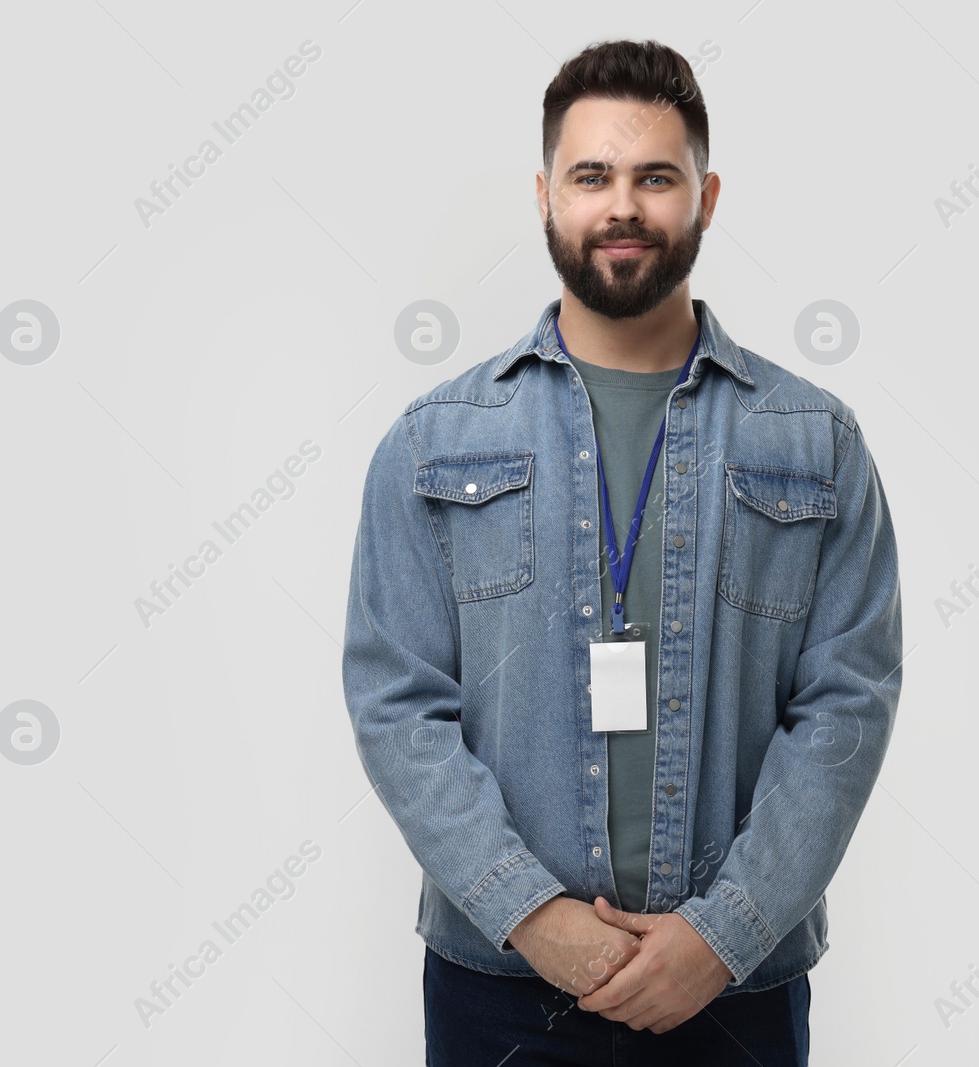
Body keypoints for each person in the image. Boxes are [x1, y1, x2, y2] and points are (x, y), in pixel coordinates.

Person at [342, 37, 902, 1065]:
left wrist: (719, 934)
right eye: (592, 175)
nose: (624, 206)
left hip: (734, 993)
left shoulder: (813, 442)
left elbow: (845, 706)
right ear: (546, 192)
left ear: (707, 194)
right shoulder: (433, 443)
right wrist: (534, 915)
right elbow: (397, 703)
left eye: (656, 176)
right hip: (499, 988)